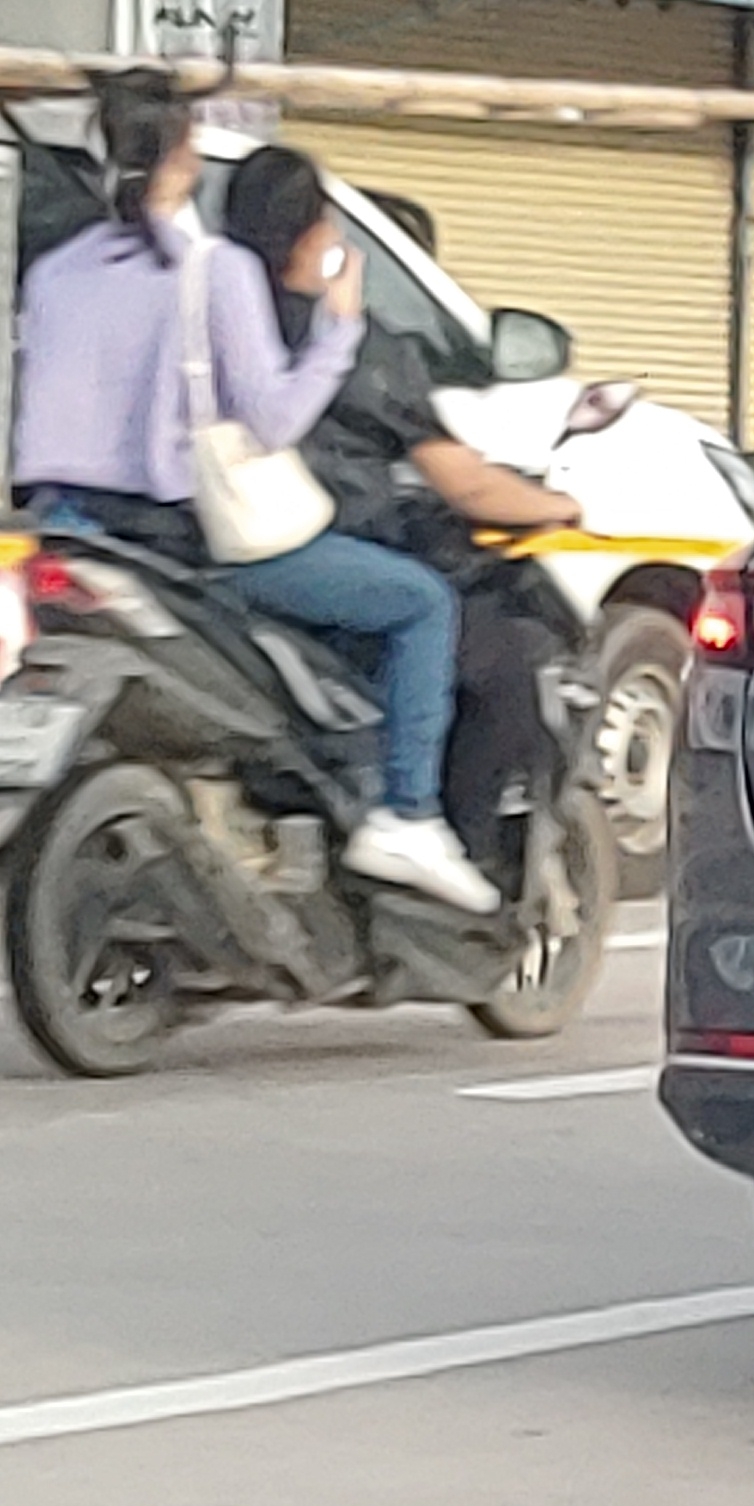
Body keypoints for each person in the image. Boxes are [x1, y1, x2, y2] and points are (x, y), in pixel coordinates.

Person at [10, 71, 496, 914]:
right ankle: (408, 814)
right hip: (183, 546)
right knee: (420, 603)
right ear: (184, 160)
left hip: (65, 530)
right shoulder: (213, 271)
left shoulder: (54, 273)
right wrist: (339, 328)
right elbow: (272, 419)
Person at [220, 144, 584, 866]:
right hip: (322, 554)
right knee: (497, 660)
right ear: (316, 236)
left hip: (203, 546)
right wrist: (557, 505)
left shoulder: (214, 319)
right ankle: (435, 833)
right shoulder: (355, 344)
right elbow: (466, 485)